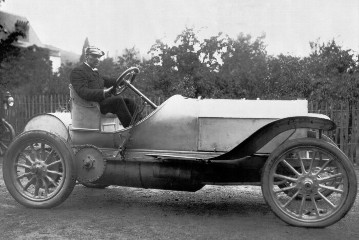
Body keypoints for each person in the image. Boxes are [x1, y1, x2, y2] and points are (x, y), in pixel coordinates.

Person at [70, 46, 137, 128]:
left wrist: (124, 81)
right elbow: (83, 91)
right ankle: (131, 130)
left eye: (99, 57)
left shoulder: (94, 71)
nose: (97, 59)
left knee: (129, 101)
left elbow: (108, 80)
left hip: (101, 102)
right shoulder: (78, 71)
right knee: (118, 100)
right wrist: (103, 92)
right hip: (92, 104)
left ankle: (139, 124)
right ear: (86, 56)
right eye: (94, 56)